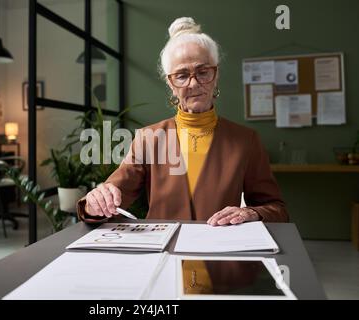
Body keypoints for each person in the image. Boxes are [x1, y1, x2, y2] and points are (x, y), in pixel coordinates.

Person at [77, 17, 288, 225]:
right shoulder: (148, 139)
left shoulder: (246, 140)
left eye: (203, 72)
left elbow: (276, 209)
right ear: (170, 83)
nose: (193, 84)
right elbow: (110, 199)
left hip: (220, 255)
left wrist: (251, 213)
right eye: (181, 75)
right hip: (162, 255)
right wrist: (95, 203)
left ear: (216, 75)